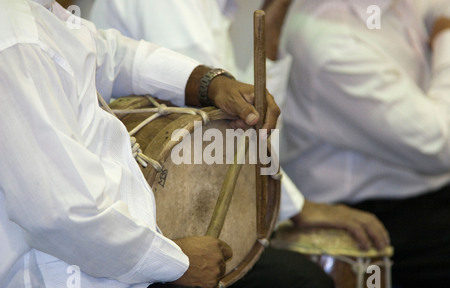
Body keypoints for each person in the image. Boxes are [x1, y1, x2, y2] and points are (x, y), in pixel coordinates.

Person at [0, 0, 337, 288]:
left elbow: (115, 55)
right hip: (80, 279)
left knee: (303, 284)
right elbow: (61, 216)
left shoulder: (46, 16)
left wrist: (211, 83)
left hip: (124, 253)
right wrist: (177, 262)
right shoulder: (16, 38)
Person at [84, 0, 390, 254]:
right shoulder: (172, 6)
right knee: (302, 286)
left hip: (166, 199)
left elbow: (256, 115)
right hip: (131, 217)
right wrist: (297, 208)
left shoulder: (216, 8)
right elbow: (223, 124)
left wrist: (275, 15)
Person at [278, 0, 450, 288]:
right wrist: (446, 36)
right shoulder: (333, 44)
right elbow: (441, 146)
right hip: (373, 210)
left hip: (423, 195)